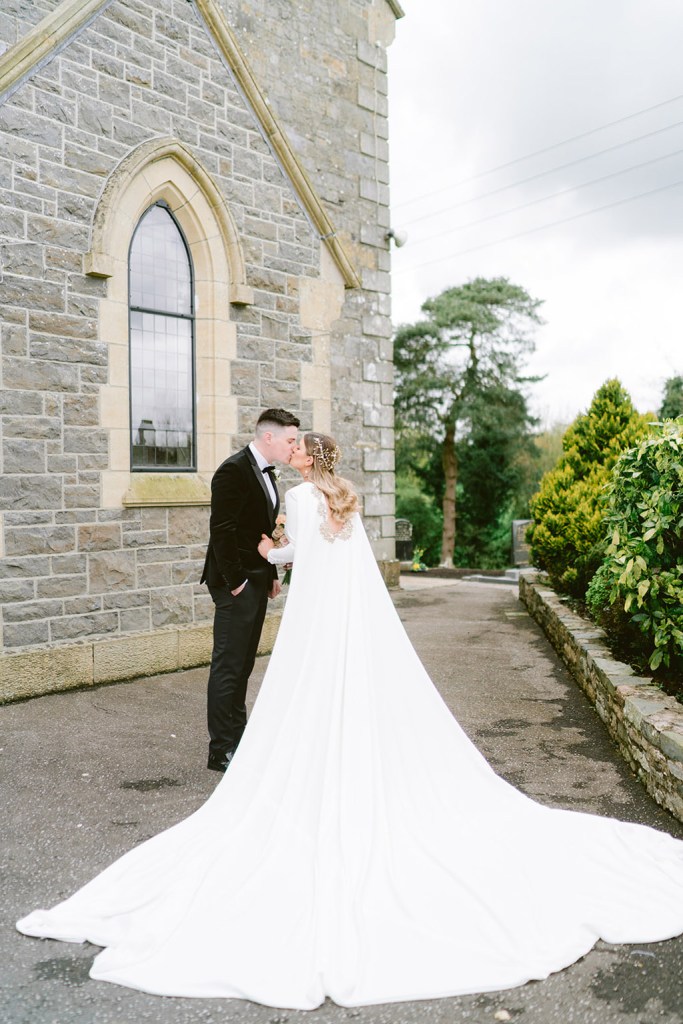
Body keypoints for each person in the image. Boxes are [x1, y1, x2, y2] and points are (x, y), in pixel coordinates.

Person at [16, 431, 683, 1009]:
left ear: (308, 462)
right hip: (349, 621)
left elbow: (292, 557)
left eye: (300, 449)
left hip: (313, 621)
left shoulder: (304, 500)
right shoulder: (345, 497)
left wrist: (266, 548)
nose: (295, 453)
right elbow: (346, 557)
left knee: (303, 693)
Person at [200, 407, 299, 772]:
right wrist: (236, 581)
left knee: (243, 664)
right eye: (290, 440)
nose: (294, 447)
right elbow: (221, 531)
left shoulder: (268, 474)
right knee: (228, 664)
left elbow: (261, 529)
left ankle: (239, 740)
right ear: (268, 436)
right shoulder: (233, 470)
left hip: (258, 579)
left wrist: (272, 574)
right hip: (235, 584)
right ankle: (220, 749)